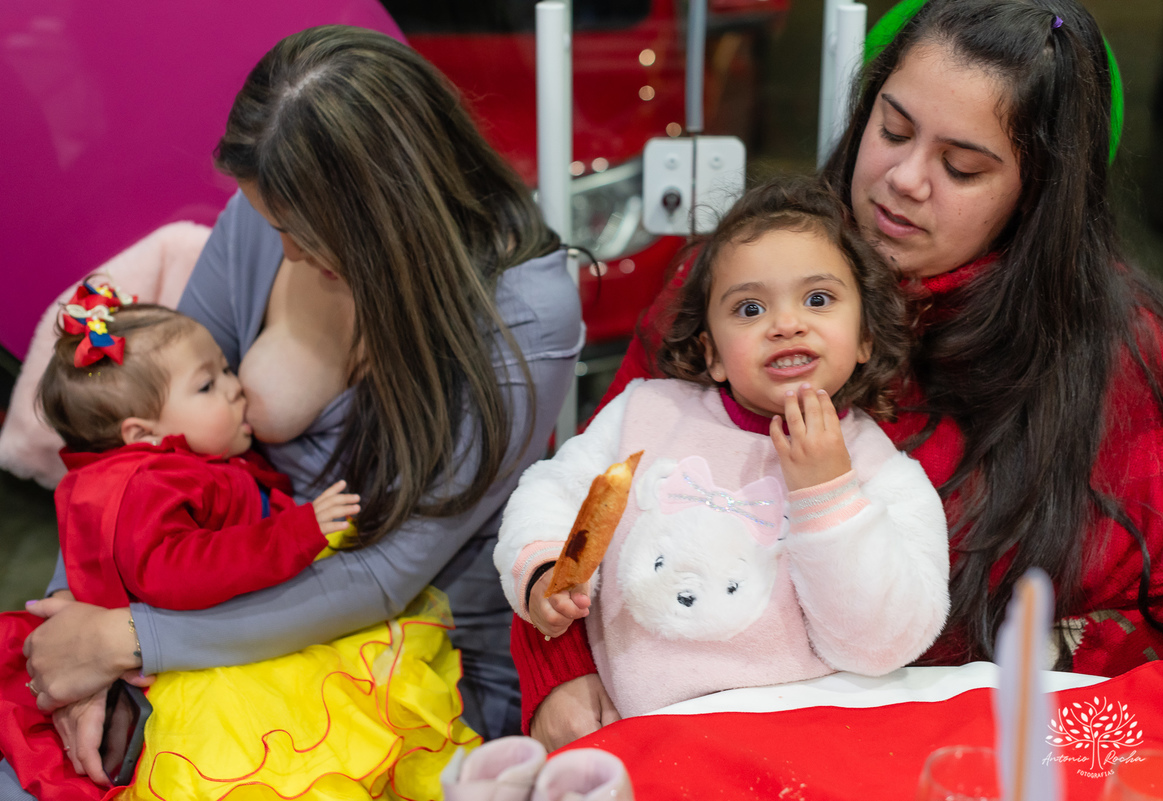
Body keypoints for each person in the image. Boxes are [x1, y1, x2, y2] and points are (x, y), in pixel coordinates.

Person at [510, 0, 1163, 749]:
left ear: (1039, 198)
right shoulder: (747, 279)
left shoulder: (1121, 364)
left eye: (961, 167)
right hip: (674, 736)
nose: (903, 179)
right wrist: (558, 669)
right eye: (893, 130)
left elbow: (1149, 660)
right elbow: (586, 496)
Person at [13, 24, 583, 796]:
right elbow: (128, 451)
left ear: (389, 219)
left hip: (408, 651)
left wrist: (126, 639)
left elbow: (382, 572)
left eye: (298, 231)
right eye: (270, 222)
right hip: (207, 613)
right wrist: (76, 632)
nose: (279, 249)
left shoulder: (524, 313)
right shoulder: (264, 218)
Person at [495, 177, 949, 718]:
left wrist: (829, 497)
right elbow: (553, 490)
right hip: (642, 733)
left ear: (865, 338)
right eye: (750, 309)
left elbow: (882, 645)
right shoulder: (645, 414)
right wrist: (546, 564)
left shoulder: (884, 474)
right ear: (711, 353)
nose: (785, 324)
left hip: (793, 740)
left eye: (818, 299)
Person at [0, 289, 473, 800]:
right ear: (144, 433)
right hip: (197, 669)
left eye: (226, 369)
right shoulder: (151, 484)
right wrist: (299, 531)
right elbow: (185, 572)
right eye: (208, 384)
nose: (235, 388)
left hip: (204, 644)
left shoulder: (172, 468)